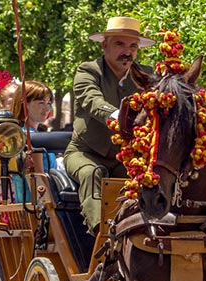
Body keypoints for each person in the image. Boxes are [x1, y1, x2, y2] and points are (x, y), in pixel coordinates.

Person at [63, 16, 155, 235]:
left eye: (133, 46)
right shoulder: (88, 71)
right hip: (85, 152)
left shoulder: (146, 76)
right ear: (105, 45)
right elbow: (92, 101)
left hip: (127, 156)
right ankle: (102, 236)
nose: (127, 51)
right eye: (120, 44)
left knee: (149, 178)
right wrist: (119, 116)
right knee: (92, 173)